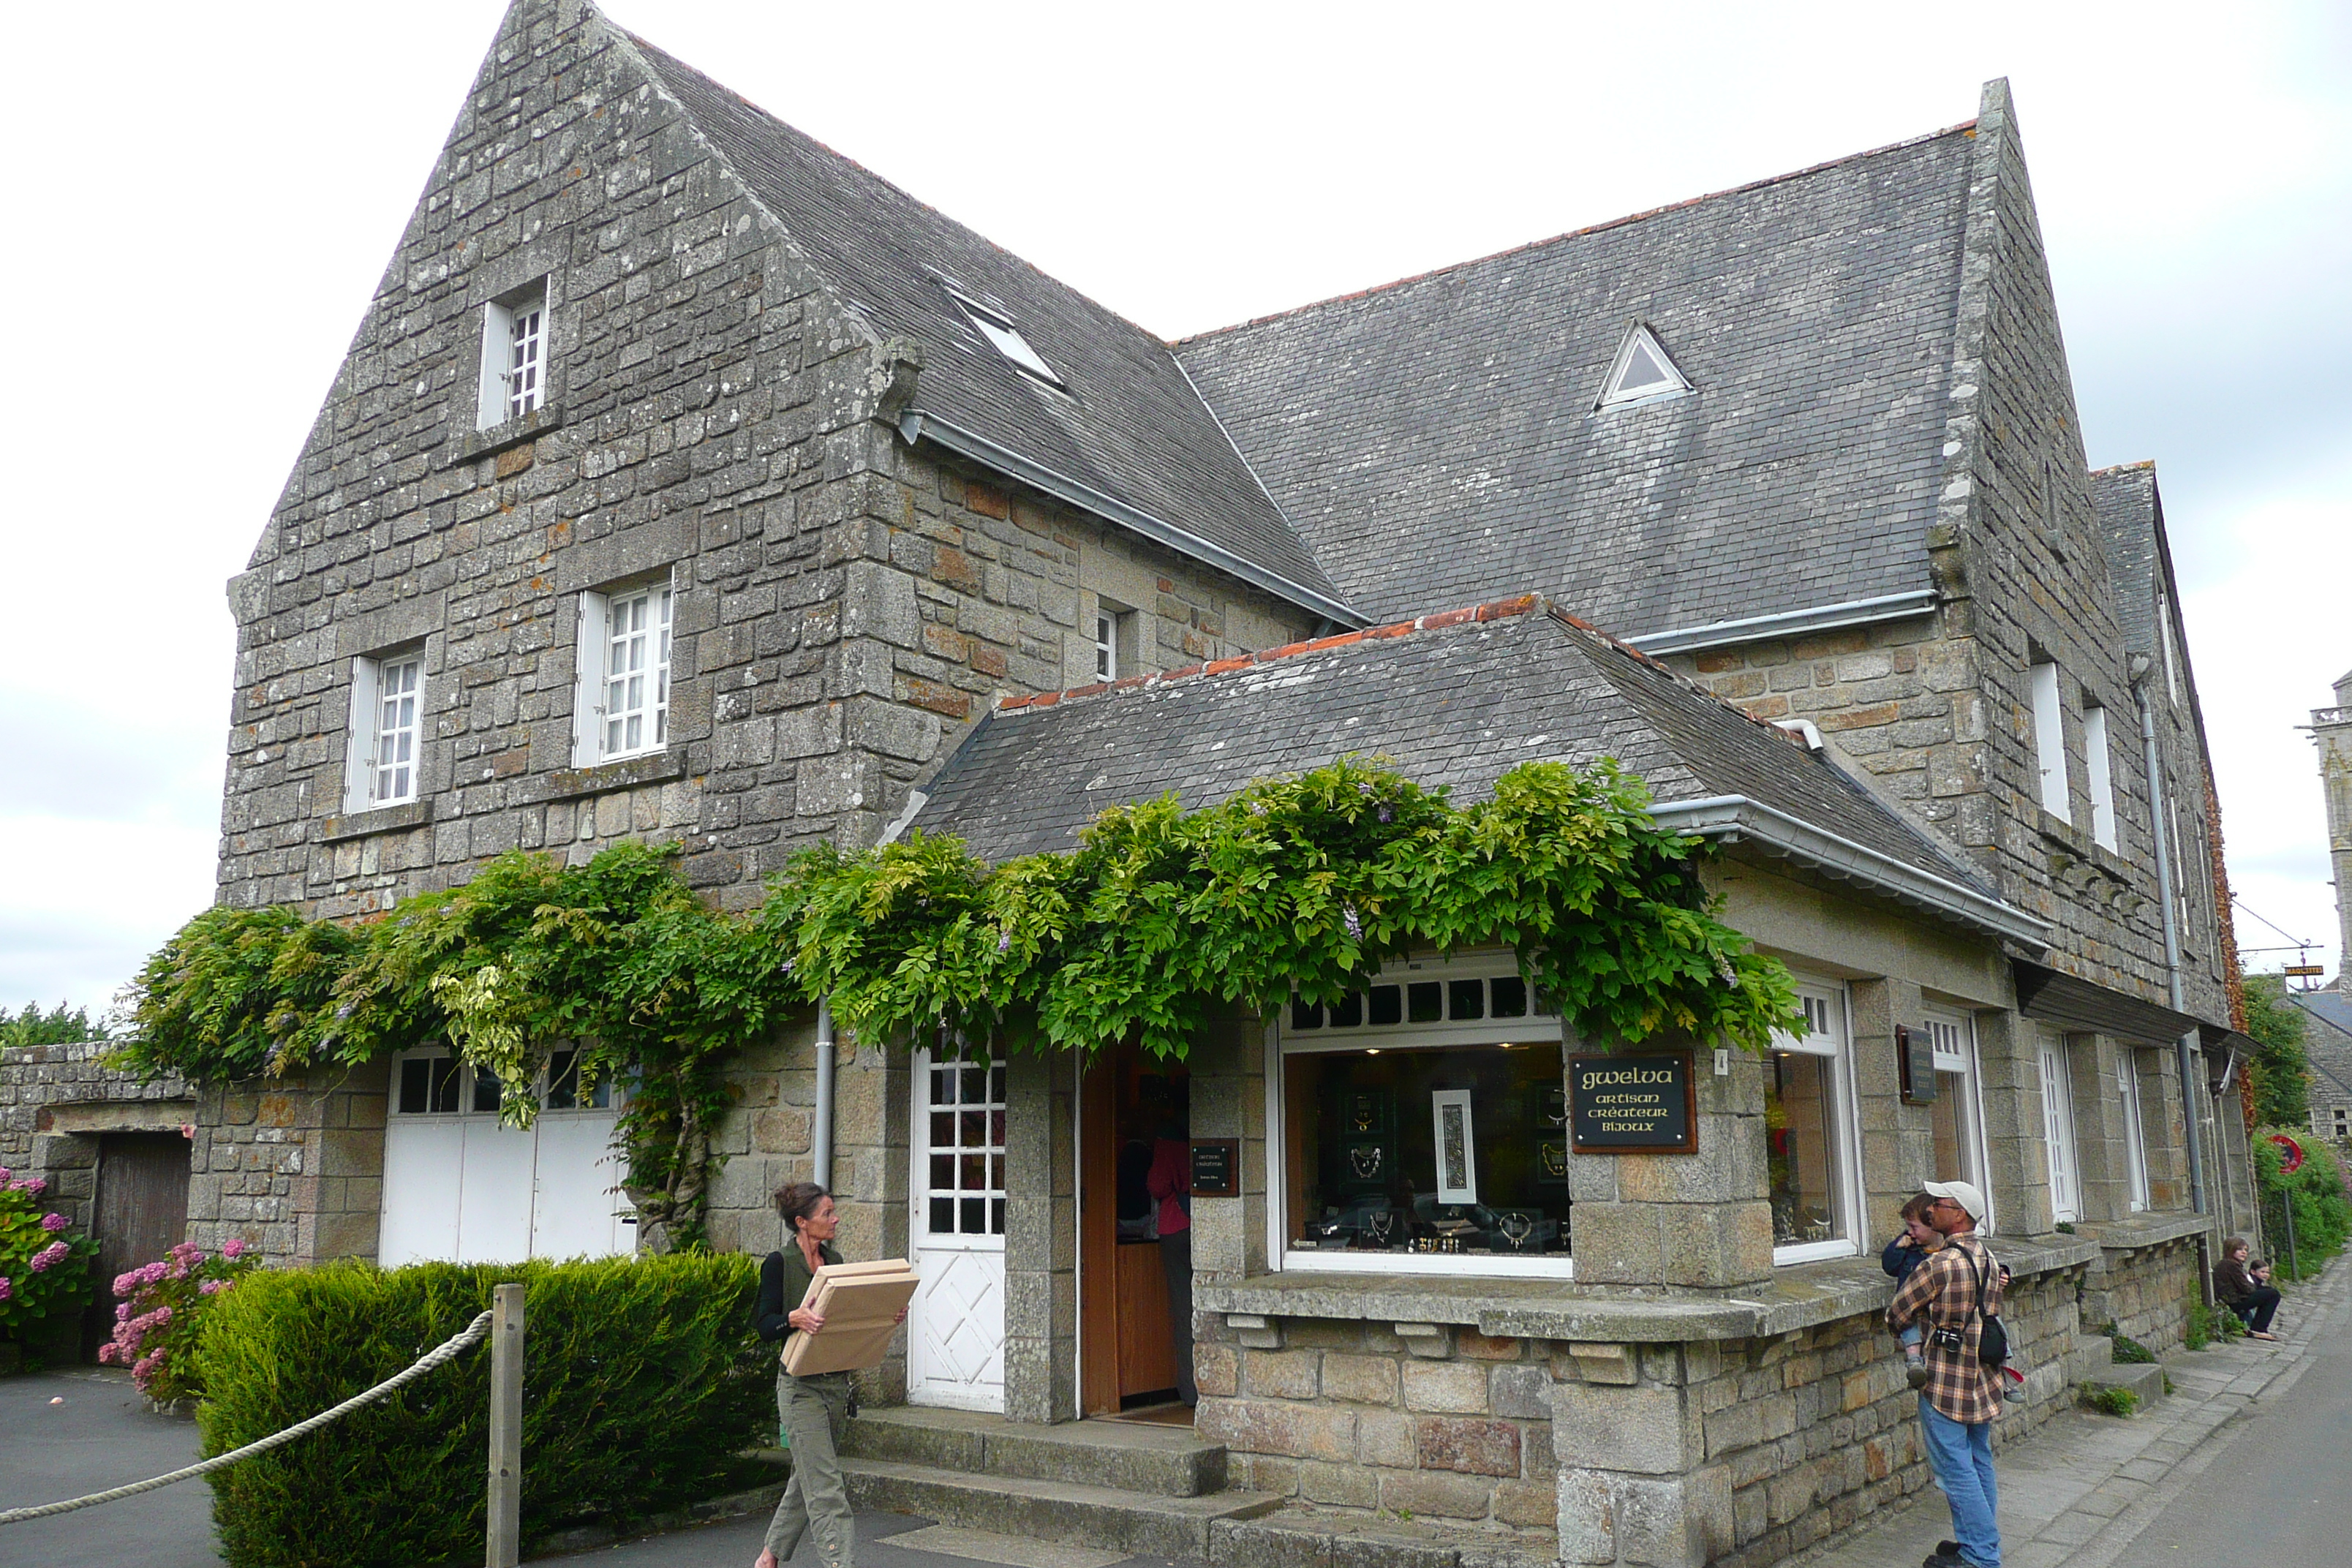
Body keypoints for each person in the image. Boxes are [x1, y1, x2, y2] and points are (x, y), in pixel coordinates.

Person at [754, 1182, 906, 1568]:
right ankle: (840, 1563)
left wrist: (886, 1315)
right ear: (802, 1222)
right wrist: (793, 1318)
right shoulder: (779, 1263)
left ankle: (769, 1558)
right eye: (827, 1214)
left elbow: (848, 1319)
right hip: (799, 1388)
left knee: (807, 1478)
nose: (835, 1219)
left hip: (836, 1388)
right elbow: (763, 1324)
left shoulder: (835, 1262)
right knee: (826, 1489)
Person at [1887, 1180, 2005, 1568]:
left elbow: (1898, 1313)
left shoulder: (1940, 1265)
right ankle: (1977, 1543)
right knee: (1978, 1460)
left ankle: (1981, 1556)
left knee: (1955, 1471)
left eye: (1938, 1205)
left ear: (1958, 1215)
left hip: (1944, 1380)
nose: (1931, 1210)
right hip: (1982, 1376)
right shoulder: (1989, 1259)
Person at [1145, 1108, 1198, 1406]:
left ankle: (1190, 1391)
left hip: (1175, 1225)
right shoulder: (1200, 1138)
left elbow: (1157, 1185)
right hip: (1200, 1224)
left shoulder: (1167, 1143)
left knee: (1183, 1309)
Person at [1881, 1192, 1944, 1389]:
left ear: (1932, 1225)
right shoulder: (1909, 1248)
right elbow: (1889, 1267)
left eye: (1914, 1227)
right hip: (1912, 1308)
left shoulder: (1947, 1252)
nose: (1910, 1232)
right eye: (1908, 1227)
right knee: (1908, 1325)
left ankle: (2004, 1361)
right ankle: (1914, 1360)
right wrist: (1898, 1248)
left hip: (1937, 1312)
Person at [2213, 1237, 2282, 1340]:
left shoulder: (2230, 1264)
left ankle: (2257, 1327)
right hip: (2234, 1301)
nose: (2244, 1252)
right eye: (2240, 1249)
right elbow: (2247, 1288)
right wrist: (2252, 1286)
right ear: (2231, 1250)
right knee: (2273, 1294)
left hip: (2235, 1297)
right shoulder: (2231, 1265)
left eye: (2245, 1250)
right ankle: (2259, 1329)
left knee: (2267, 1290)